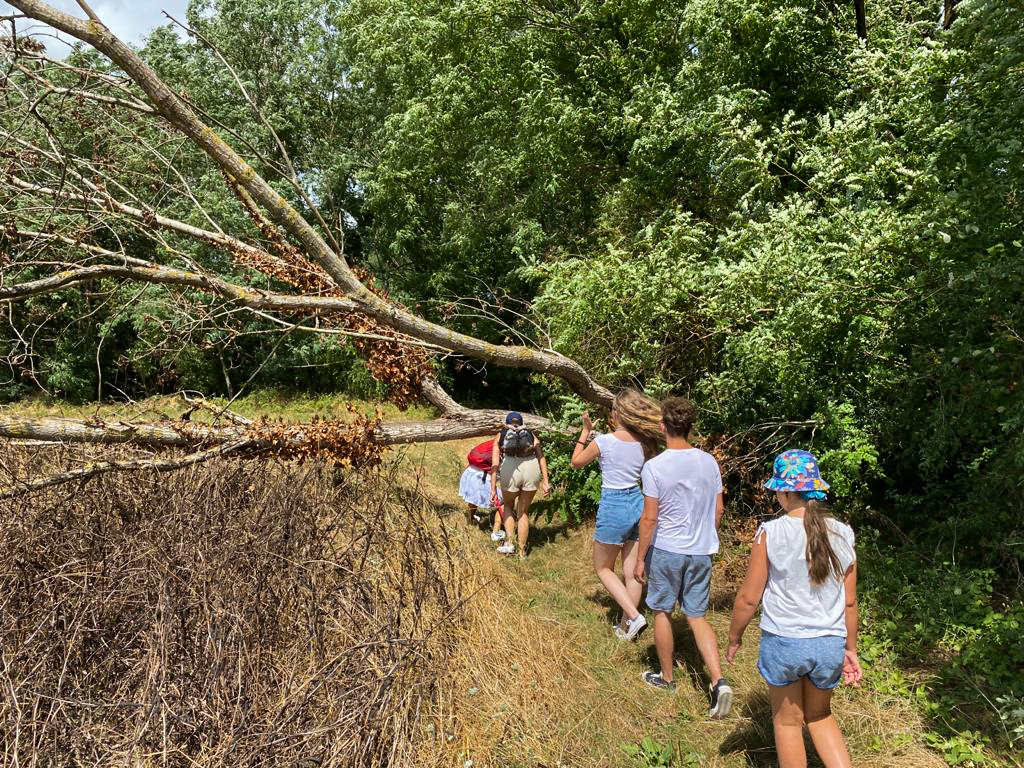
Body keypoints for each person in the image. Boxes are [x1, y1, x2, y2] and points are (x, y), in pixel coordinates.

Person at [726, 450, 861, 768]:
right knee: (820, 716)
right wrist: (850, 648)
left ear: (785, 492)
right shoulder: (843, 533)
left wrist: (734, 637)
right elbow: (850, 602)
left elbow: (748, 598)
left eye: (777, 490)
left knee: (788, 722)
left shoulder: (770, 533)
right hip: (829, 643)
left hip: (785, 641)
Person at [634, 397, 733, 719]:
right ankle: (718, 681)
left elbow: (649, 519)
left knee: (662, 611)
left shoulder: (655, 467)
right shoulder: (709, 462)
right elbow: (718, 510)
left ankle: (666, 677)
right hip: (701, 550)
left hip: (667, 550)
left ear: (662, 426)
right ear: (689, 426)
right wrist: (705, 535)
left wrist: (639, 559)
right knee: (697, 616)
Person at [570, 389, 661, 641]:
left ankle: (634, 616)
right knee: (632, 571)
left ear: (617, 413)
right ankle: (625, 628)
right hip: (638, 501)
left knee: (602, 568)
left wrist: (585, 431)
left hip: (615, 502)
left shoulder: (605, 441)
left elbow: (575, 462)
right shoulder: (645, 443)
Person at [489, 411, 550, 560]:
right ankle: (522, 552)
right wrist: (546, 481)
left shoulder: (500, 435)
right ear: (521, 423)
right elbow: (541, 458)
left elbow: (494, 465)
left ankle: (510, 543)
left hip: (511, 468)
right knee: (523, 512)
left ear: (507, 423)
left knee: (508, 506)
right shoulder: (530, 434)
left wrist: (492, 489)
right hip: (531, 468)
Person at [458, 438, 507, 540]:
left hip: (470, 473)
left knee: (473, 498)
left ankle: (470, 519)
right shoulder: (502, 451)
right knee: (505, 501)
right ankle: (496, 532)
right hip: (482, 478)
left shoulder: (494, 441)